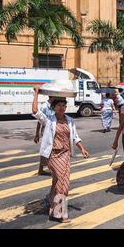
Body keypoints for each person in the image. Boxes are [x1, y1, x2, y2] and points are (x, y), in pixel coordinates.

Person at [31, 86, 89, 223]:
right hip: (53, 155)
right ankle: (60, 213)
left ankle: (52, 201)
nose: (62, 108)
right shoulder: (49, 120)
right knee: (62, 184)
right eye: (59, 105)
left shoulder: (70, 120)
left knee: (60, 182)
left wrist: (82, 149)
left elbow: (75, 137)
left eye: (64, 105)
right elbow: (34, 111)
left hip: (65, 155)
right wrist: (36, 93)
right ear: (54, 107)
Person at [34, 96, 55, 176]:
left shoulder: (53, 105)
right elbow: (39, 121)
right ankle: (50, 169)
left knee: (45, 151)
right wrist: (37, 134)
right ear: (51, 96)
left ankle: (41, 170)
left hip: (52, 131)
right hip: (45, 132)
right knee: (47, 150)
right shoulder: (44, 106)